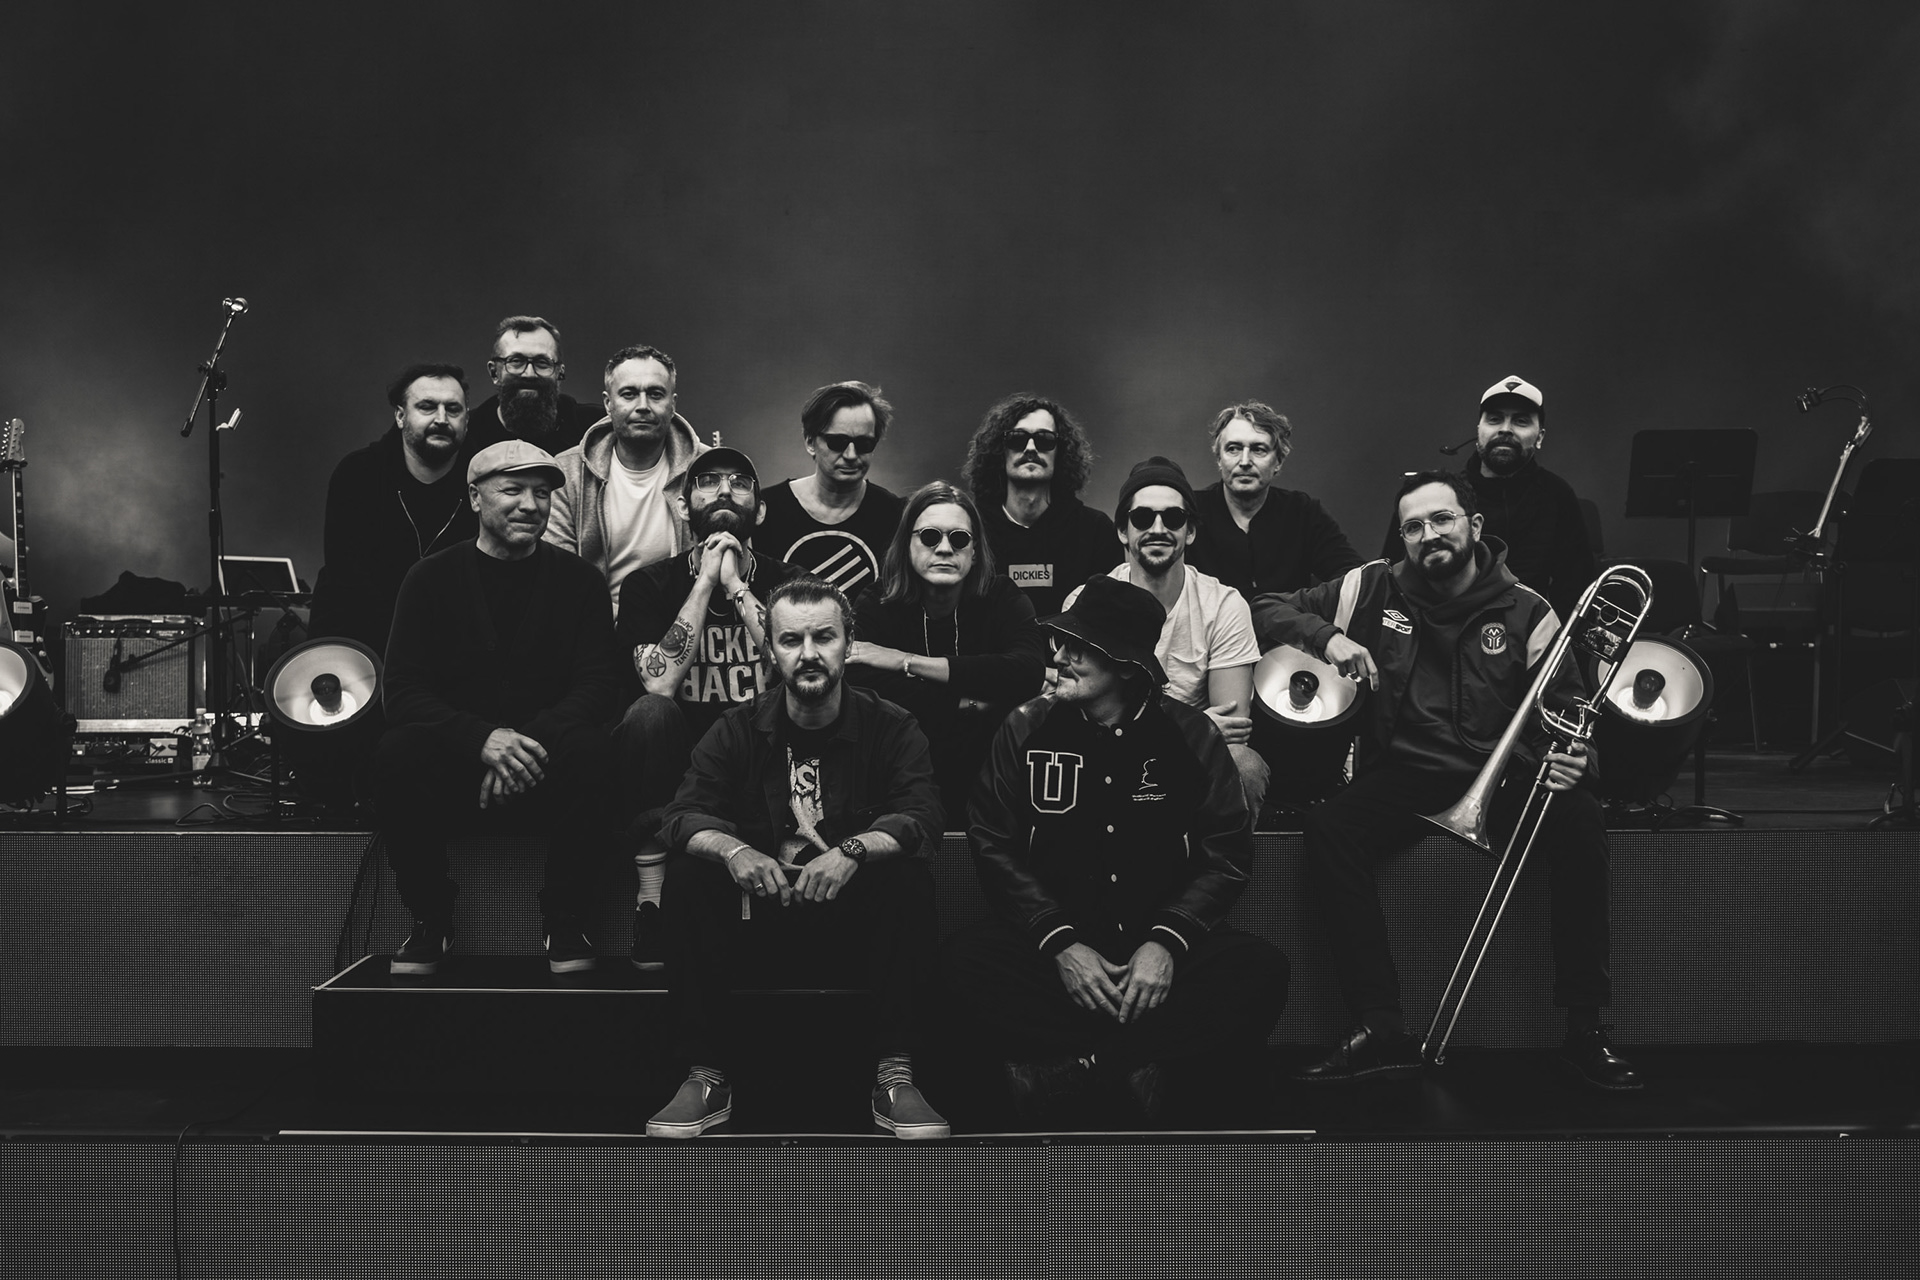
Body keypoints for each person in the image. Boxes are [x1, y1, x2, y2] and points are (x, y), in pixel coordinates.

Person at [1257, 469, 1637, 1091]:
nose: (1428, 535)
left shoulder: (1528, 609)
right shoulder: (1367, 586)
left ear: (1474, 525)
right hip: (1403, 774)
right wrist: (1327, 638)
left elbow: (1569, 708)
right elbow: (1266, 607)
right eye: (1413, 527)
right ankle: (1380, 1025)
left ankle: (1584, 1027)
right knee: (1329, 827)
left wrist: (1576, 759)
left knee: (1579, 818)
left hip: (1500, 775)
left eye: (1442, 519)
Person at [943, 576, 1289, 1123]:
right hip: (1060, 953)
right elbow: (991, 842)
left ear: (1126, 666)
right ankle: (1134, 1067)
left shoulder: (1191, 736)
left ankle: (1080, 1070)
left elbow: (1225, 853)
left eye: (1079, 648)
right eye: (1060, 643)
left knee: (1259, 970)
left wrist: (1165, 944)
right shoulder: (1025, 727)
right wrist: (1062, 946)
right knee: (961, 963)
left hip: (1156, 953)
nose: (1060, 657)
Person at [645, 577, 949, 1140]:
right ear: (770, 651)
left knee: (906, 877)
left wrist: (852, 851)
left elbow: (922, 816)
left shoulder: (891, 725)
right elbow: (681, 816)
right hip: (759, 922)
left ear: (848, 645)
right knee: (689, 875)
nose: (808, 654)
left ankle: (896, 1075)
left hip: (853, 925)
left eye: (823, 637)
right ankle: (705, 1075)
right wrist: (736, 850)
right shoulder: (736, 728)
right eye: (790, 640)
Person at [376, 440, 621, 977]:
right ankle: (430, 918)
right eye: (512, 490)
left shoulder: (580, 581)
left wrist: (524, 744)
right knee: (397, 751)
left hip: (547, 769)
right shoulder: (429, 578)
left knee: (593, 750)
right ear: (474, 497)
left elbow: (601, 686)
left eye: (542, 493)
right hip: (458, 773)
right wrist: (481, 741)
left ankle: (565, 919)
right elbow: (403, 691)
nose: (530, 505)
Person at [613, 446, 804, 968]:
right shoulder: (648, 584)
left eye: (740, 483)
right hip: (680, 757)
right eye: (708, 481)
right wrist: (704, 583)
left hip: (760, 752)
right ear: (683, 506)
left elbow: (797, 671)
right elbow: (659, 683)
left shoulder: (790, 581)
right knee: (647, 715)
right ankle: (651, 899)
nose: (724, 490)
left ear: (759, 512)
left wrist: (737, 586)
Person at [1062, 457, 1267, 818]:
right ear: (1123, 531)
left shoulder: (1224, 605)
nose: (1158, 529)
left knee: (1243, 764)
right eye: (1142, 518)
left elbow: (1231, 729)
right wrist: (1194, 726)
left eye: (1173, 518)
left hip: (1192, 758)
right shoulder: (1085, 602)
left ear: (1190, 531)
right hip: (1107, 753)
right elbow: (1085, 719)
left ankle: (1218, 859)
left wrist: (1147, 732)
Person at [848, 481, 1048, 825]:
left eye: (958, 539)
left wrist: (904, 661)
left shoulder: (1001, 596)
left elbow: (1028, 671)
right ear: (907, 544)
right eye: (929, 537)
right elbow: (860, 685)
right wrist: (970, 702)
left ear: (975, 551)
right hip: (897, 777)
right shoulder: (877, 602)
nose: (944, 549)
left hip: (991, 777)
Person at [1381, 375, 1597, 622]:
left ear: (1539, 437)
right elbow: (1393, 577)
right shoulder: (1442, 494)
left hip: (1529, 632)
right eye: (1494, 419)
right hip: (1448, 630)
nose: (1505, 429)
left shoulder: (1557, 495)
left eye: (1521, 421)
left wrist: (1549, 638)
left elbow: (1575, 588)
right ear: (1479, 431)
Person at [309, 363, 478, 654]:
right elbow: (346, 581)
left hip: (456, 645)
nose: (441, 419)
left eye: (453, 409)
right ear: (400, 416)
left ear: (466, 419)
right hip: (364, 642)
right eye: (427, 407)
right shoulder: (358, 473)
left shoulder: (483, 480)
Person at [544, 344, 708, 616]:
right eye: (629, 394)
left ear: (673, 404)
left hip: (689, 624)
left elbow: (730, 563)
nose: (643, 406)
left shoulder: (708, 468)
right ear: (608, 404)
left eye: (655, 394)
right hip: (597, 625)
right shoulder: (567, 472)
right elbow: (561, 575)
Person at [962, 393, 1121, 619]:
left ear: (1060, 451)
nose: (1030, 448)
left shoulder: (1096, 531)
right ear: (1000, 450)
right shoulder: (969, 529)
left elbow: (1108, 619)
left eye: (1044, 439)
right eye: (1017, 438)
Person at [1188, 400, 1363, 601]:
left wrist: (1300, 606)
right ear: (1219, 459)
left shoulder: (1302, 512)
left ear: (1278, 461)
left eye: (1258, 449)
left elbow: (1354, 578)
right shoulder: (1189, 511)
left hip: (1290, 620)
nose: (1244, 462)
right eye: (1233, 449)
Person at [754, 381, 904, 603]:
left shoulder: (895, 515)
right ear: (810, 442)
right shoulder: (765, 511)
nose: (851, 455)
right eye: (838, 442)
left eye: (864, 443)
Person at [466, 315, 604, 453]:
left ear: (559, 373)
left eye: (542, 362)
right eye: (516, 361)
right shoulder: (466, 434)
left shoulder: (596, 428)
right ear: (494, 372)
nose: (529, 374)